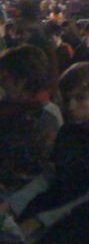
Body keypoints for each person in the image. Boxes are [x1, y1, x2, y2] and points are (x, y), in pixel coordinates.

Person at [5, 62, 89, 244]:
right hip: (52, 208)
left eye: (80, 98)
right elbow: (50, 176)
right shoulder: (68, 130)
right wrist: (12, 205)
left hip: (82, 220)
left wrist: (39, 220)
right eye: (67, 99)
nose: (71, 106)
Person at [0, 45, 63, 191]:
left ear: (22, 80)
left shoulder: (45, 116)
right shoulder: (11, 108)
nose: (1, 82)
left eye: (4, 77)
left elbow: (40, 171)